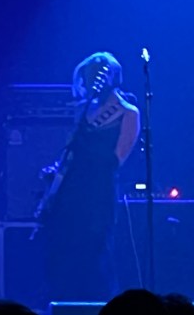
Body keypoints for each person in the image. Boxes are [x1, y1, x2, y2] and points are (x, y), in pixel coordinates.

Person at [43, 52, 140, 301]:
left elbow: (115, 160)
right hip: (70, 192)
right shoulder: (83, 110)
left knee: (95, 254)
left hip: (98, 194)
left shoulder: (129, 113)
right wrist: (56, 171)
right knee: (64, 253)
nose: (88, 83)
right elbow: (70, 152)